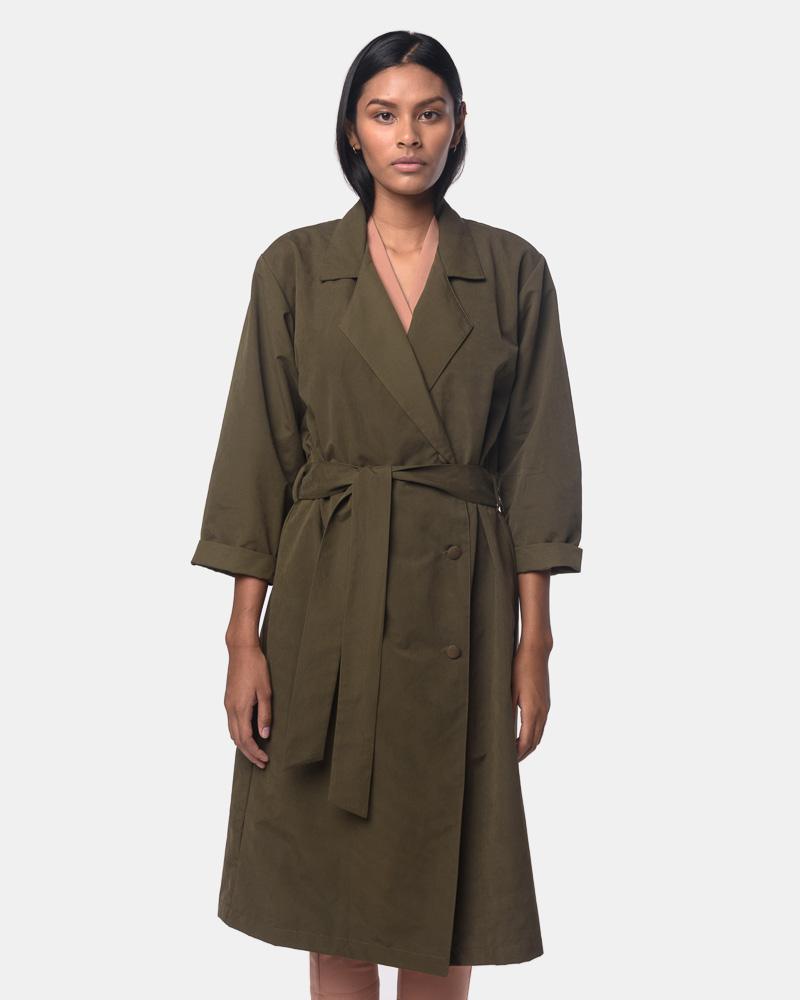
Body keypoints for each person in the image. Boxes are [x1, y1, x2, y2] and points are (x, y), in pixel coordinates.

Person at [191, 29, 583, 1000]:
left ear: (459, 125)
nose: (407, 136)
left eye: (428, 113)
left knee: (445, 912)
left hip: (462, 606)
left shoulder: (511, 271)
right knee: (334, 903)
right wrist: (242, 637)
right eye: (383, 114)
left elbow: (536, 463)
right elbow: (257, 456)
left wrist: (535, 641)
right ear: (352, 131)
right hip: (328, 603)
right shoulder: (293, 267)